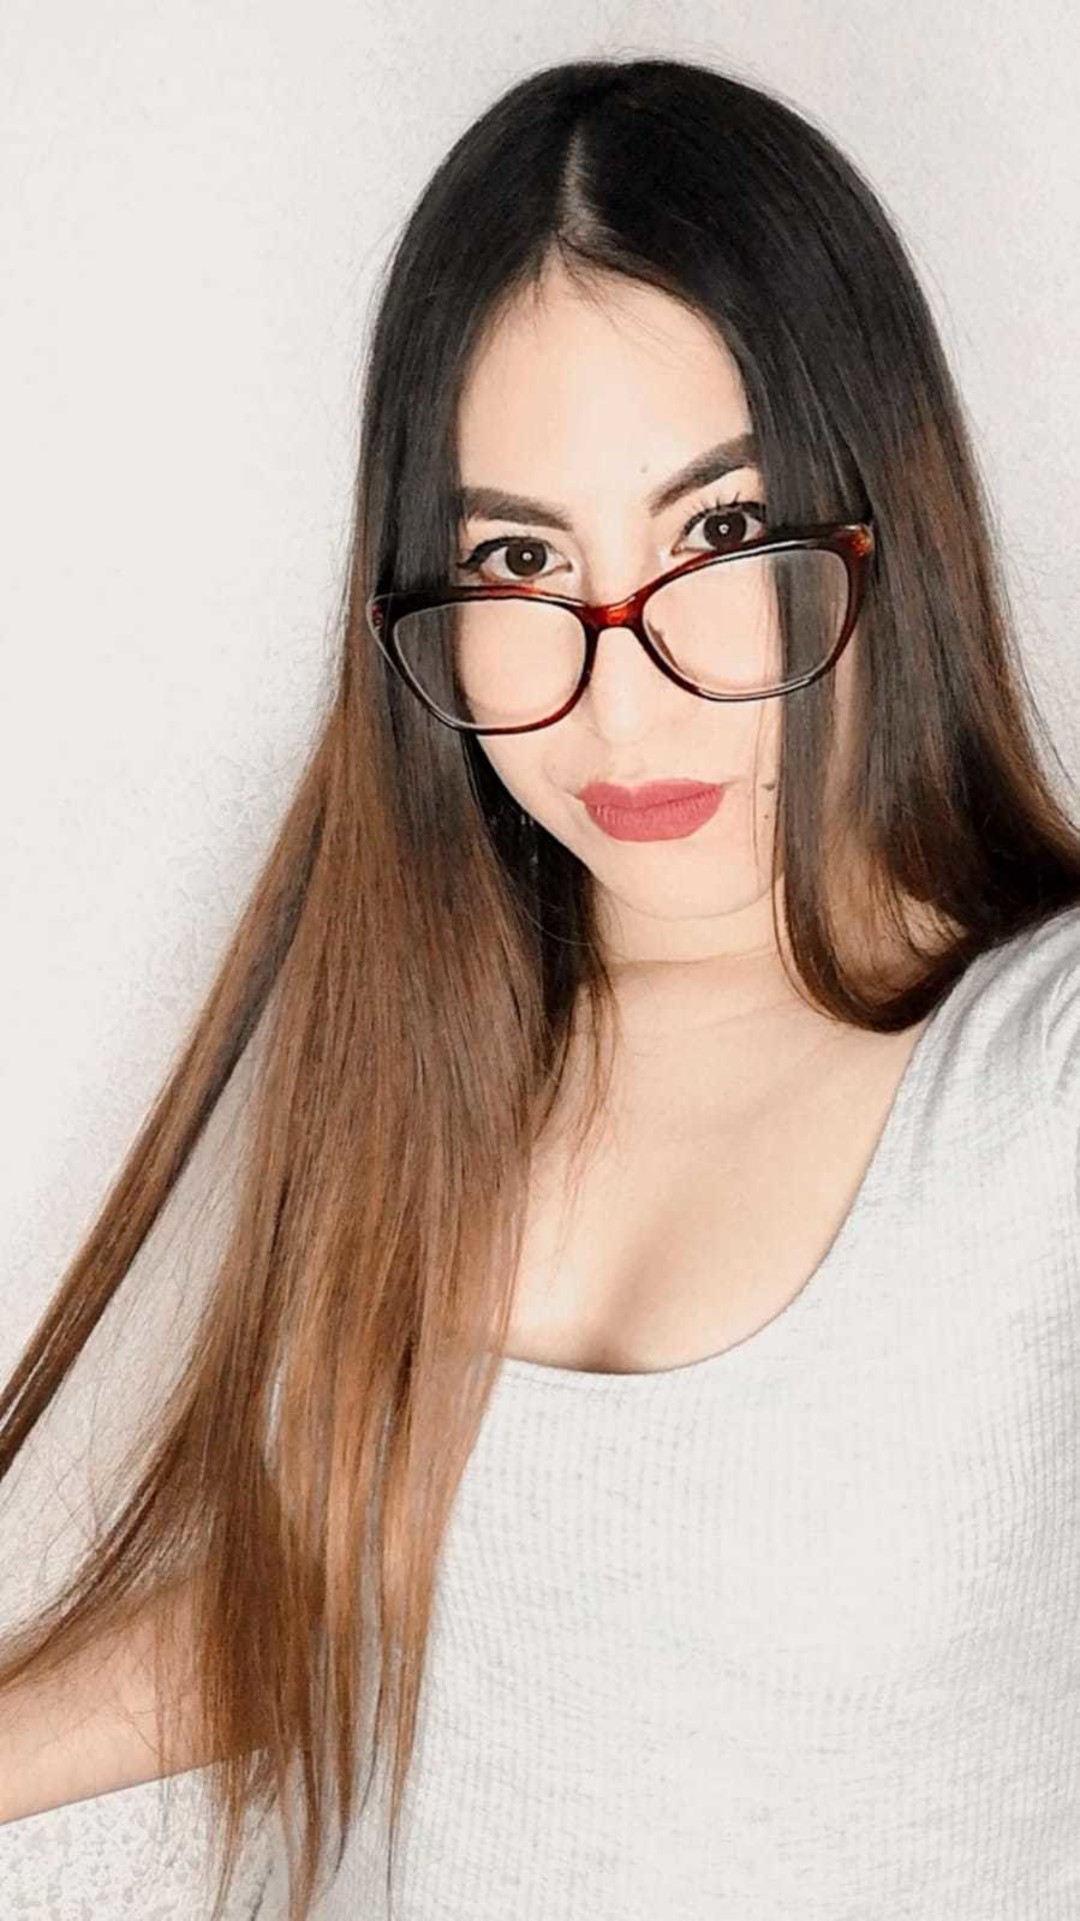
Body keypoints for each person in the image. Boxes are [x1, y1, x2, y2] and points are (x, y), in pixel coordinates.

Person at [2, 52, 1080, 1921]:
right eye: (518, 557)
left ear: (881, 512)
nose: (623, 696)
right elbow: (341, 1600)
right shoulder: (438, 1052)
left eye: (719, 532)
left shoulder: (1036, 1076)